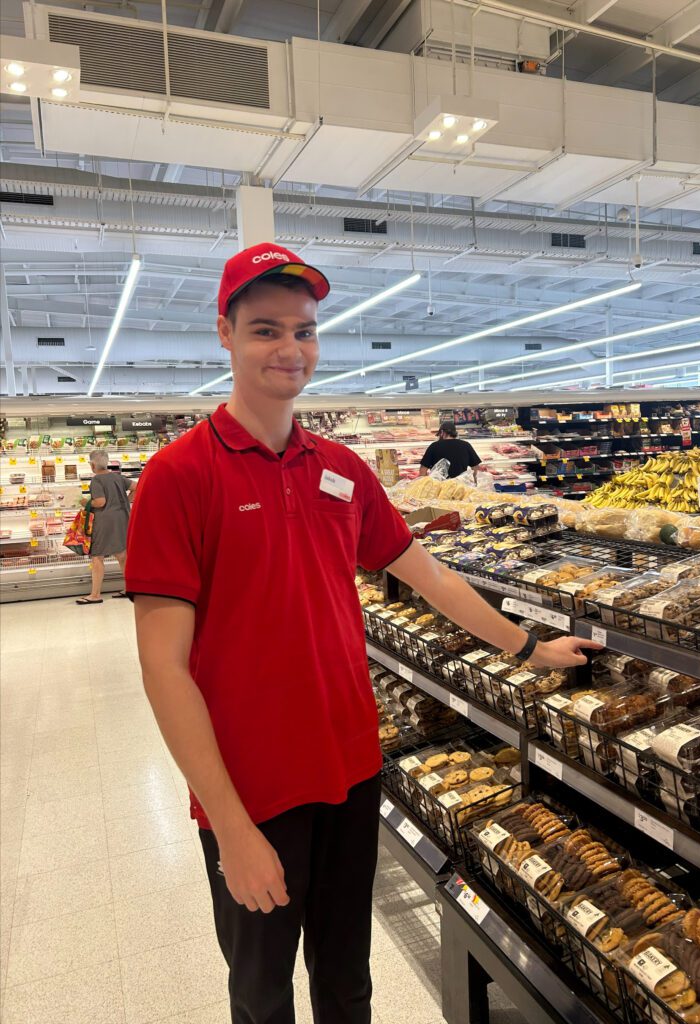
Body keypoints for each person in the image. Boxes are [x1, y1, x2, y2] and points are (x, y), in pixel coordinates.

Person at [125, 242, 600, 1024]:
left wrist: (529, 646)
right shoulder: (180, 476)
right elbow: (163, 669)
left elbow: (434, 579)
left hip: (349, 767)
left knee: (348, 984)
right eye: (265, 329)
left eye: (305, 331)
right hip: (253, 788)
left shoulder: (341, 469)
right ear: (225, 334)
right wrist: (232, 828)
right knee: (261, 994)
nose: (290, 349)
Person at [76, 450, 136, 605]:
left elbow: (100, 502)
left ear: (93, 465)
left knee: (97, 557)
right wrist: (126, 500)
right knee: (122, 555)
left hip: (104, 521)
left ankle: (95, 595)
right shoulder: (118, 477)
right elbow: (136, 486)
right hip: (123, 518)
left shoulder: (97, 480)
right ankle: (130, 588)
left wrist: (85, 502)